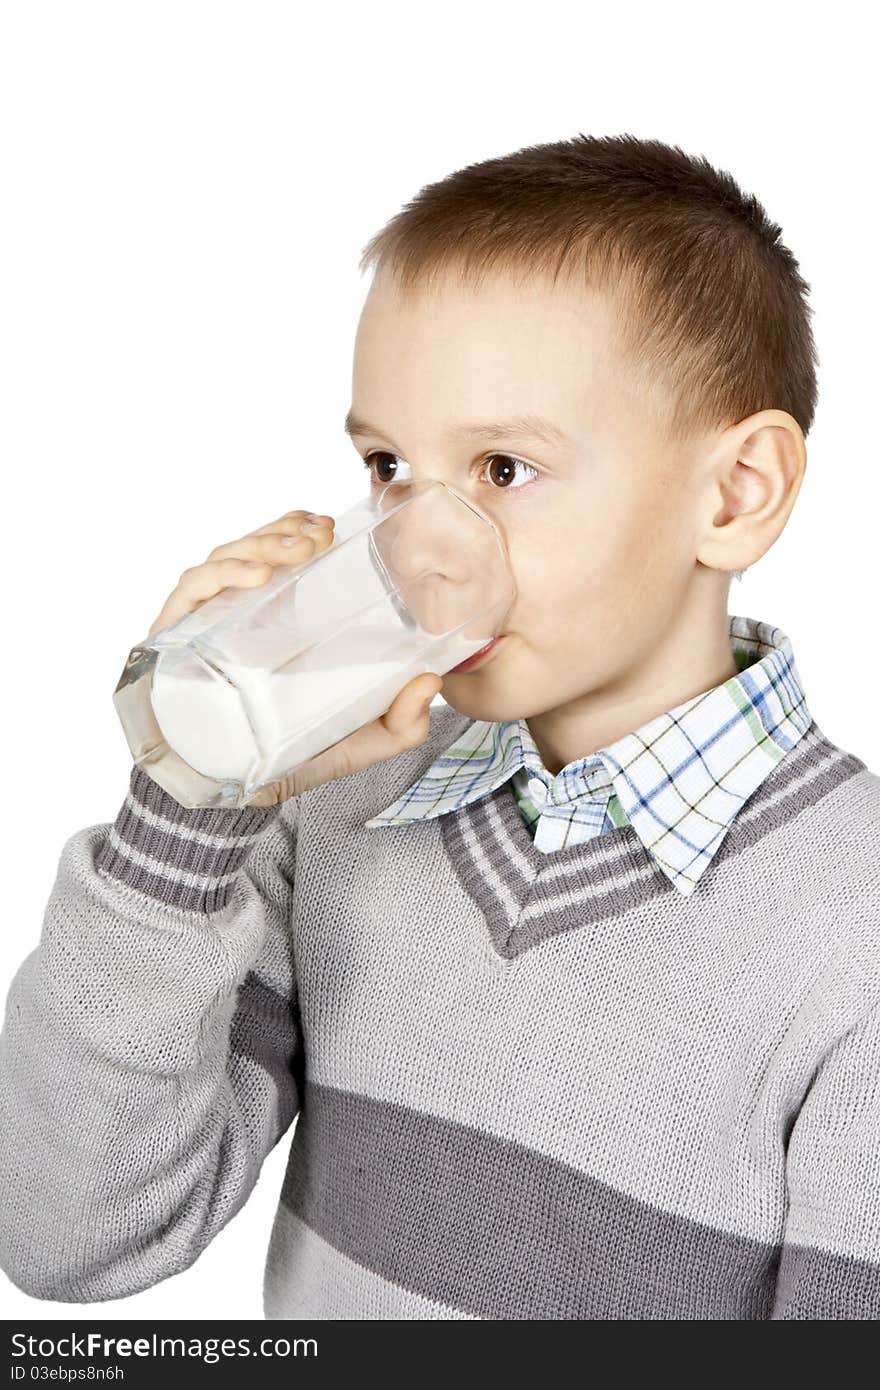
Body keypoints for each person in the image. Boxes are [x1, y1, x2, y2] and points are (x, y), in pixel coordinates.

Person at [2, 133, 878, 1320]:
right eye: (389, 466)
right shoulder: (337, 808)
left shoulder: (852, 935)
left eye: (504, 469)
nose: (419, 545)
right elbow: (68, 1237)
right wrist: (186, 806)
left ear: (734, 494)